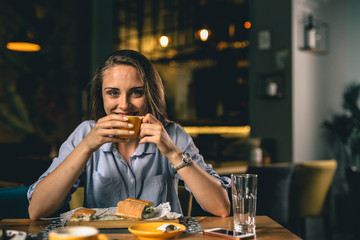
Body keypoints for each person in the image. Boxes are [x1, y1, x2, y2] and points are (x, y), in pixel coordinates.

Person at [27, 50, 231, 220]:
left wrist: (173, 153)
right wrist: (86, 147)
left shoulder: (172, 134)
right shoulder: (85, 133)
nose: (124, 105)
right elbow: (37, 210)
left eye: (136, 92)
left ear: (151, 94)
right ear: (102, 95)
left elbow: (221, 208)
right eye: (113, 93)